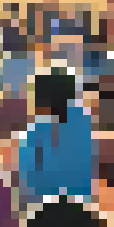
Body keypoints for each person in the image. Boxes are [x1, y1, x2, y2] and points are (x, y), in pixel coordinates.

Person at [18, 67, 99, 208]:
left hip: (44, 204)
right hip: (80, 202)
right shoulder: (83, 121)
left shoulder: (37, 130)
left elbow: (28, 176)